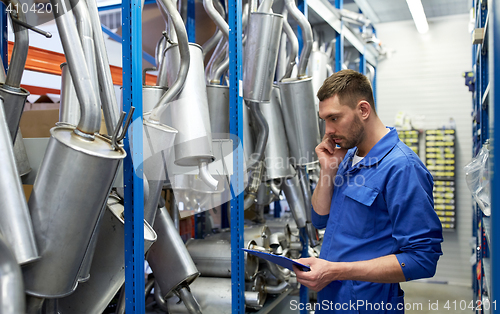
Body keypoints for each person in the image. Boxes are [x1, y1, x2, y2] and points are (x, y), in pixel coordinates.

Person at [293, 69, 443, 313]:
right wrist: (328, 170)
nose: (328, 130)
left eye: (334, 118)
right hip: (332, 300)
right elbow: (320, 219)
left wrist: (335, 270)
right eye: (324, 120)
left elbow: (422, 260)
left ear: (363, 110)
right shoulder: (349, 155)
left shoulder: (402, 167)